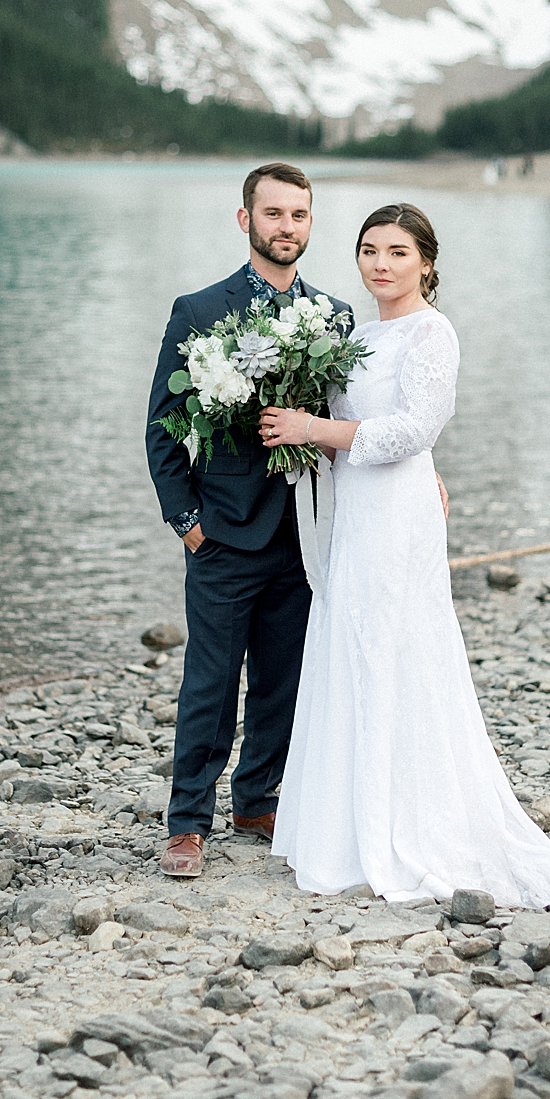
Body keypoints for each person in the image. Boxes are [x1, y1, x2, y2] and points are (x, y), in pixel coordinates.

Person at [259, 204, 550, 906]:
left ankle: (405, 823)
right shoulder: (355, 333)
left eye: (397, 252)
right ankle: (342, 825)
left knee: (393, 641)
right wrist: (303, 429)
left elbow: (413, 426)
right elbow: (357, 429)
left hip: (397, 513)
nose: (380, 264)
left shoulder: (431, 332)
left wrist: (317, 426)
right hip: (354, 507)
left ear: (426, 264)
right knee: (350, 637)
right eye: (369, 250)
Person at [145, 163, 352, 878]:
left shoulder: (334, 317)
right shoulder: (199, 310)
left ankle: (258, 799)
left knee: (281, 681)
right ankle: (186, 823)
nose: (285, 226)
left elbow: (349, 425)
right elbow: (163, 431)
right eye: (272, 213)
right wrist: (187, 522)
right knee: (209, 679)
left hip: (301, 534)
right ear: (246, 220)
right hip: (224, 534)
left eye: (297, 214)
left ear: (309, 223)